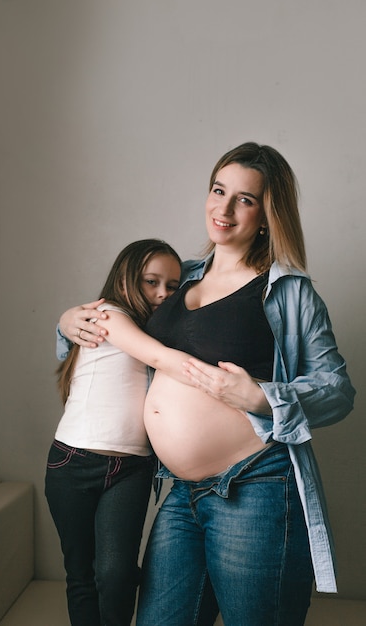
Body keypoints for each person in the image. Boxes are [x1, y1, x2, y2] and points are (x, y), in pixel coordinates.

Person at [56, 142, 356, 626]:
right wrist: (68, 322)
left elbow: (337, 390)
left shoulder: (286, 290)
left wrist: (261, 396)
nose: (224, 208)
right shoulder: (176, 278)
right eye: (219, 190)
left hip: (254, 484)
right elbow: (114, 325)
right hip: (179, 492)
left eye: (245, 199)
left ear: (266, 214)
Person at [46, 238, 216, 626]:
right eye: (150, 282)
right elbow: (159, 359)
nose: (162, 294)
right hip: (73, 462)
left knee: (118, 574)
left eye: (172, 286)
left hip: (131, 470)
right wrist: (220, 381)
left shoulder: (159, 327)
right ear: (124, 280)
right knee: (81, 574)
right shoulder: (105, 315)